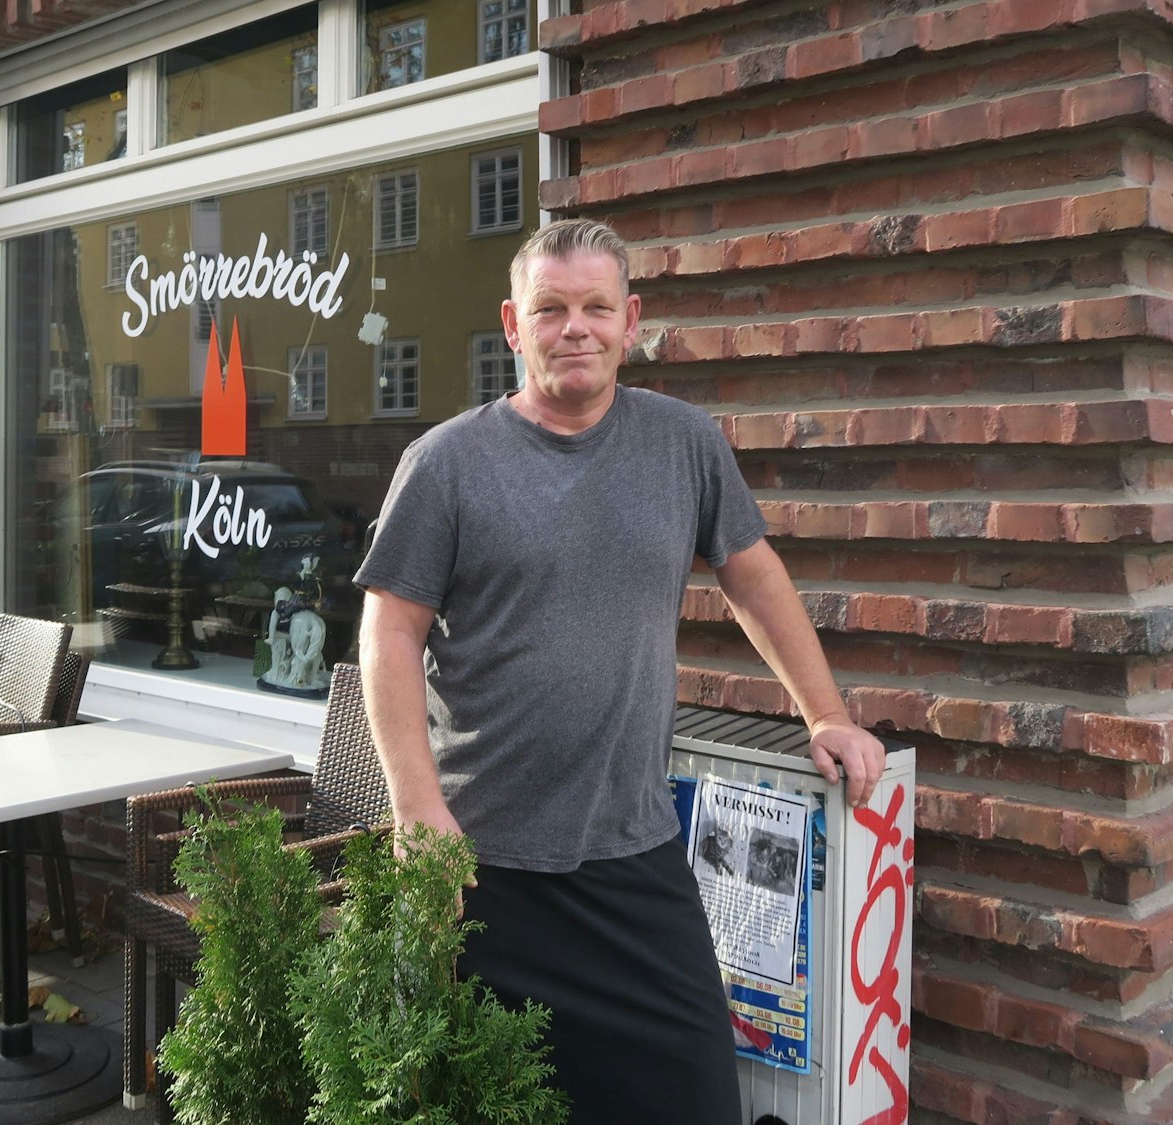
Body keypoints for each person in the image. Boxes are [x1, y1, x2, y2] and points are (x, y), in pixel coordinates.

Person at [354, 218, 888, 1122]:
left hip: (633, 854)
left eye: (597, 307)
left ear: (629, 319)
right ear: (513, 327)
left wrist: (825, 712)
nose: (577, 328)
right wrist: (417, 811)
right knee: (493, 1105)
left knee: (695, 1099)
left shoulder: (681, 443)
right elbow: (387, 634)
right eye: (551, 308)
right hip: (481, 867)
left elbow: (753, 576)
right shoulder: (444, 464)